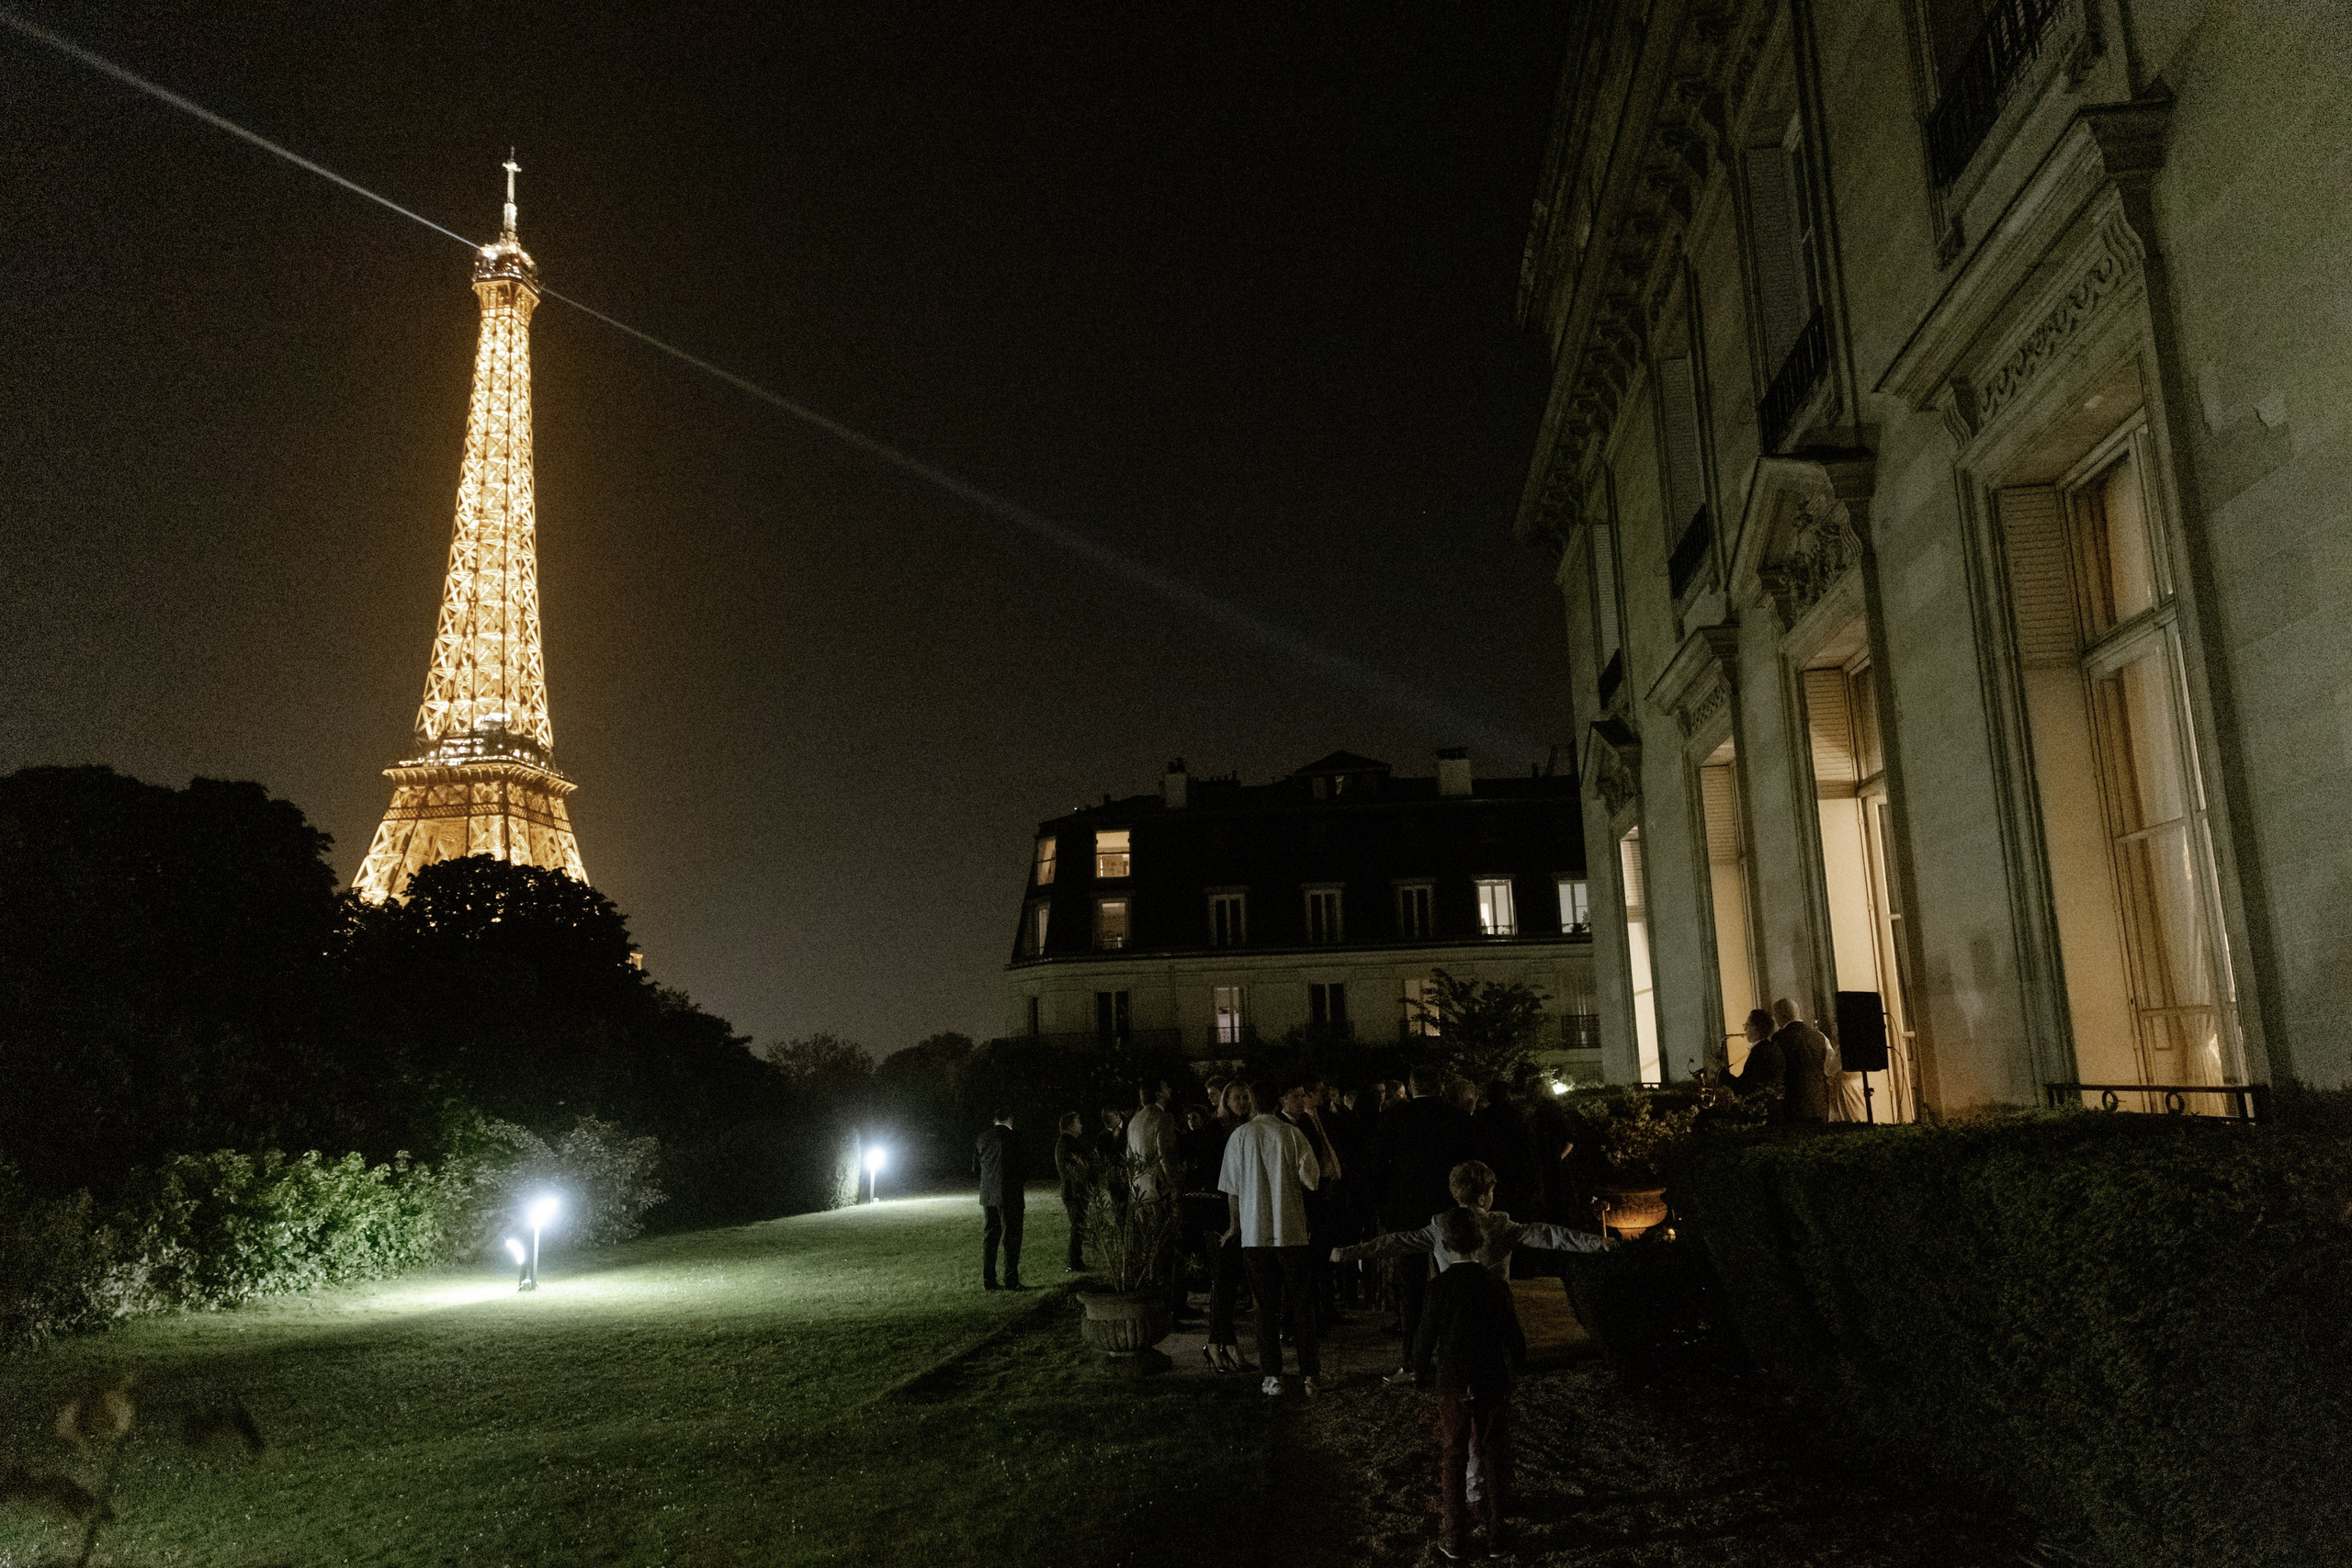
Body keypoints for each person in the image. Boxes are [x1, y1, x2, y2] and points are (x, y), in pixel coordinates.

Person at [1413, 1208, 1527, 1561]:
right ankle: (1497, 1534)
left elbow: (1424, 1337)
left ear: (1446, 1244)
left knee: (1453, 1453)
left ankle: (1455, 1535)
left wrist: (1420, 1372)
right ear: (1482, 1242)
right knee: (1493, 1452)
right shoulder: (1495, 1284)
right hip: (1491, 1375)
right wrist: (1518, 1366)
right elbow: (1514, 1335)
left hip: (1452, 1378)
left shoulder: (1439, 1287)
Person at [1335, 1159, 1609, 1281]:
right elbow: (1552, 1236)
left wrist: (1349, 1253)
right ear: (1482, 1198)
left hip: (1453, 1307)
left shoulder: (1439, 1226)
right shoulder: (1501, 1226)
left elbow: (1393, 1243)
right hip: (1494, 1305)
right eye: (1491, 1192)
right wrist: (1600, 1243)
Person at [1218, 1077, 1323, 1396]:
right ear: (1277, 1102)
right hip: (1291, 1232)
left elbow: (1231, 1190)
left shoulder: (1239, 1137)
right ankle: (1310, 1376)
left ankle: (1271, 1376)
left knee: (1264, 1306)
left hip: (1254, 1233)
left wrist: (1235, 1226)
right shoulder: (1292, 1134)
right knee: (1302, 1306)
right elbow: (1312, 1180)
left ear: (1252, 1101)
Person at [1370, 1065, 1476, 1379]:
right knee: (1455, 1282)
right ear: (1440, 1085)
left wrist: (1386, 1212)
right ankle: (1457, 1357)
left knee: (1411, 1290)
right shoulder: (1457, 1118)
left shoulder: (1392, 1117)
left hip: (1407, 1214)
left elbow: (1378, 1170)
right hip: (1449, 1211)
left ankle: (1413, 1360)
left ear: (1411, 1086)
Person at [1195, 1085, 1253, 1372]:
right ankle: (1225, 1345)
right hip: (1220, 1214)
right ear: (1225, 1101)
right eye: (1236, 1097)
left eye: (1245, 1097)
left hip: (1243, 1211)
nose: (1242, 1101)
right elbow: (1213, 1173)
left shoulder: (1248, 1127)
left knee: (1230, 1281)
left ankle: (1217, 1344)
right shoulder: (1215, 1130)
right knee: (1224, 1279)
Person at [974, 1110, 1026, 1291]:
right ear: (1010, 1119)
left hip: (988, 1194)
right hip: (1010, 1194)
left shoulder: (982, 1138)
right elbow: (1024, 1166)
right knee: (1012, 1236)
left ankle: (989, 1280)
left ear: (994, 1120)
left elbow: (975, 1169)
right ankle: (1011, 1279)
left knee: (991, 1236)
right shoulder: (1015, 1137)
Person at [1769, 998, 1836, 1123]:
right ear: (1797, 1012)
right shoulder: (1820, 1036)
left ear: (1778, 1016)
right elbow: (1830, 1067)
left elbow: (1775, 1069)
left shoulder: (1778, 1039)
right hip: (1819, 1103)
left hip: (1792, 1105)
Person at [1052, 1111, 1092, 1273]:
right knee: (1078, 1226)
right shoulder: (1069, 1143)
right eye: (1078, 1122)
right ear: (1070, 1126)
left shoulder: (1064, 1143)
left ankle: (1075, 1260)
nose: (1081, 1125)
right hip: (1075, 1192)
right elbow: (1078, 1168)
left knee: (1078, 1225)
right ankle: (1074, 1262)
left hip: (1071, 1190)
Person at [1726, 1008, 1783, 1116]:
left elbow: (1744, 1087)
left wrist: (1720, 1072)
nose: (1745, 1030)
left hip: (1761, 1112)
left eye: (1746, 1025)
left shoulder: (1759, 1053)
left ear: (1755, 1029)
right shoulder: (1772, 1048)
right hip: (1773, 1109)